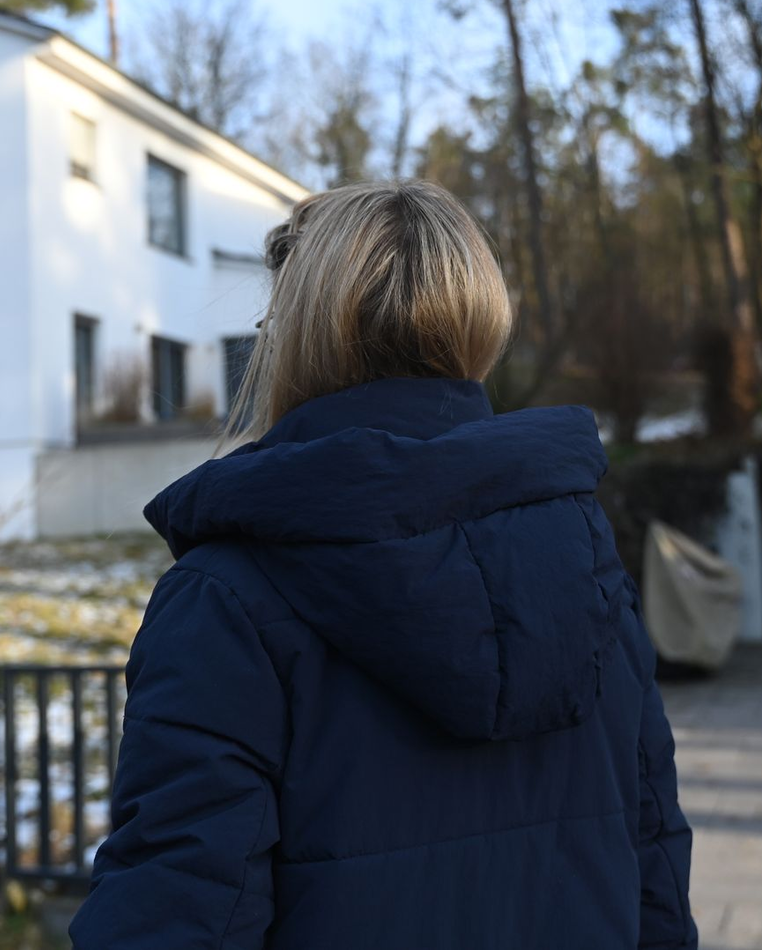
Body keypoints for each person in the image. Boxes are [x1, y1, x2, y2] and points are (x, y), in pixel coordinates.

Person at [69, 178, 697, 950]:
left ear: (292, 332)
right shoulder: (583, 559)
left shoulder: (224, 600)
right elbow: (655, 870)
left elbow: (178, 909)